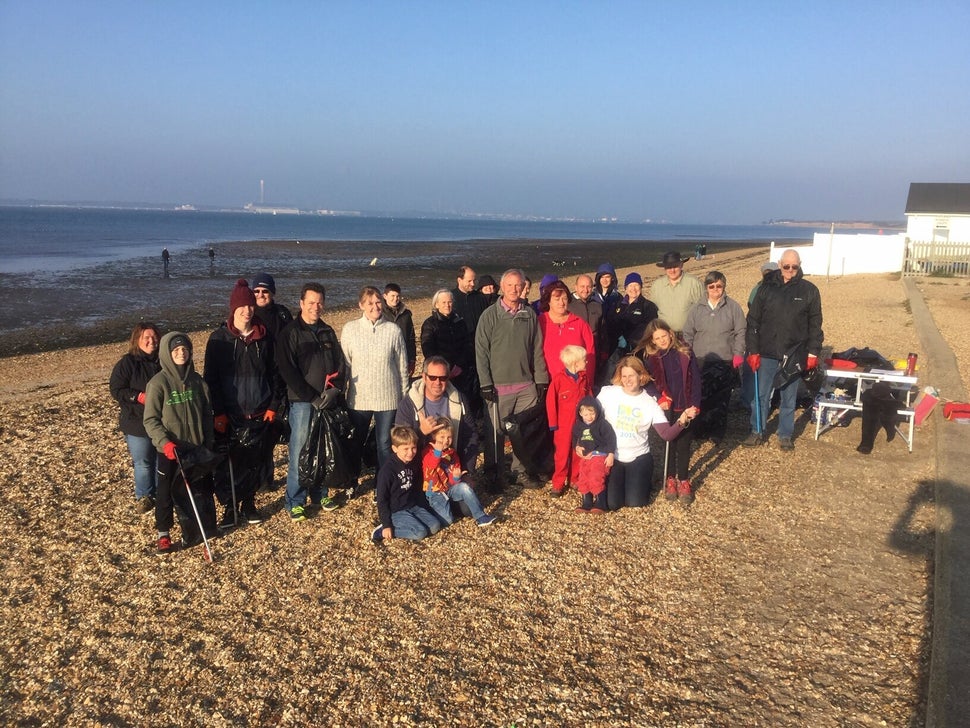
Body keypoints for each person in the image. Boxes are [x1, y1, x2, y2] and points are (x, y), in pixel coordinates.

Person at [204, 279, 283, 529]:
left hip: (260, 410)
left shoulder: (265, 338)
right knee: (229, 463)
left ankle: (249, 503)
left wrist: (273, 405)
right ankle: (230, 508)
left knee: (254, 462)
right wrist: (219, 412)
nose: (247, 311)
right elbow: (211, 379)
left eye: (250, 306)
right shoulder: (219, 339)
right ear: (233, 309)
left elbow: (275, 375)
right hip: (230, 413)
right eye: (242, 307)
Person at [275, 282, 348, 521]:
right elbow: (287, 371)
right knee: (300, 450)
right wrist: (312, 397)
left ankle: (320, 493)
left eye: (319, 303)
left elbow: (340, 364)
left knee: (322, 447)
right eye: (311, 303)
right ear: (301, 304)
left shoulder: (327, 331)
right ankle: (295, 500)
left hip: (326, 400)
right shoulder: (290, 333)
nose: (315, 307)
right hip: (303, 403)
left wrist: (335, 390)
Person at [475, 268, 550, 490]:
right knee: (496, 433)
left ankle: (519, 471)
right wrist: (485, 383)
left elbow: (537, 349)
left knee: (523, 432)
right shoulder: (490, 315)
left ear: (524, 287)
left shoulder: (529, 315)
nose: (514, 289)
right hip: (498, 386)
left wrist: (541, 380)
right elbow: (481, 351)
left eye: (518, 285)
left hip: (526, 385)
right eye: (510, 285)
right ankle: (494, 473)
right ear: (502, 287)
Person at [143, 332, 217, 552]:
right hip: (170, 450)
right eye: (176, 350)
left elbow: (206, 414)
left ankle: (201, 527)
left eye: (184, 349)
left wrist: (209, 441)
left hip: (195, 446)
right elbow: (150, 419)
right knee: (165, 492)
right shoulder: (158, 384)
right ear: (167, 353)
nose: (181, 353)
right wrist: (164, 442)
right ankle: (163, 533)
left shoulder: (198, 382)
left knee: (200, 489)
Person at [744, 249, 824, 451]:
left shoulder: (809, 291)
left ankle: (785, 434)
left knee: (789, 398)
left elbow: (815, 324)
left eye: (794, 266)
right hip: (767, 351)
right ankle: (757, 430)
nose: (790, 270)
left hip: (795, 352)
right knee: (761, 395)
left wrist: (813, 353)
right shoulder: (765, 289)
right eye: (786, 266)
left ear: (799, 265)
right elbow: (753, 321)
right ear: (780, 264)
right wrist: (753, 350)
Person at [596, 356, 696, 511]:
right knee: (613, 504)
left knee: (635, 502)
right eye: (624, 376)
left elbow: (666, 434)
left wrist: (681, 421)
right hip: (613, 456)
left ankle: (643, 481)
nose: (627, 380)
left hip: (639, 457)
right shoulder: (608, 394)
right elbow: (590, 418)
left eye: (631, 376)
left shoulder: (650, 402)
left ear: (640, 376)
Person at [341, 285, 409, 472]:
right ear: (361, 305)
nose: (375, 306)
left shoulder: (393, 330)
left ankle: (383, 483)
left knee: (384, 443)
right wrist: (340, 392)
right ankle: (351, 481)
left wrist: (404, 397)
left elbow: (402, 366)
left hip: (388, 398)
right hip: (359, 398)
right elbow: (345, 365)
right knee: (356, 440)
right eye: (370, 303)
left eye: (378, 301)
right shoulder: (350, 329)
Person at [636, 319, 703, 505]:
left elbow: (696, 379)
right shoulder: (651, 357)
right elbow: (647, 382)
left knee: (684, 445)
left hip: (686, 404)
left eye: (664, 336)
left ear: (670, 334)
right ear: (653, 341)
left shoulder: (685, 351)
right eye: (657, 338)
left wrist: (696, 404)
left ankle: (683, 479)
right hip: (668, 407)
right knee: (670, 443)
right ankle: (670, 478)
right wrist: (659, 397)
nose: (662, 340)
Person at [682, 271, 746, 443]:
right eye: (711, 286)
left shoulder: (733, 307)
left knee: (721, 399)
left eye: (719, 285)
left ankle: (717, 432)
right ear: (706, 288)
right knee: (700, 397)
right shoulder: (696, 309)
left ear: (724, 286)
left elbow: (741, 332)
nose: (715, 289)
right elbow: (688, 333)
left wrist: (738, 354)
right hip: (700, 360)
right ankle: (700, 430)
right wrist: (687, 354)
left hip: (725, 360)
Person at [109, 322, 162, 514]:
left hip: (161, 419)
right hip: (136, 421)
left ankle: (161, 493)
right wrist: (138, 397)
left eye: (154, 337)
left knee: (160, 460)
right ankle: (144, 496)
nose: (151, 341)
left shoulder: (163, 360)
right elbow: (116, 389)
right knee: (143, 462)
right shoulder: (127, 363)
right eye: (146, 338)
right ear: (137, 340)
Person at [395, 355, 478, 477]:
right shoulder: (408, 403)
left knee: (465, 492)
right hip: (420, 470)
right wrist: (420, 432)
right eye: (432, 377)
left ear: (448, 378)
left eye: (443, 378)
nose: (437, 382)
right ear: (424, 377)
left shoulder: (460, 400)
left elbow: (471, 436)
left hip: (451, 468)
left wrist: (467, 472)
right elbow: (399, 441)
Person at [420, 417, 496, 527]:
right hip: (435, 492)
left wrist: (456, 477)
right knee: (448, 520)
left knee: (464, 487)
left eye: (449, 437)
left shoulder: (452, 453)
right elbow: (431, 465)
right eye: (442, 437)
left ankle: (481, 516)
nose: (446, 440)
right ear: (433, 436)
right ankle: (431, 510)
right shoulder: (428, 451)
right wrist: (437, 452)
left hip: (449, 489)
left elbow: (453, 481)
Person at [372, 426, 443, 543]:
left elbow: (417, 485)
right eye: (406, 449)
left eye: (413, 448)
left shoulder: (413, 462)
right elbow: (382, 499)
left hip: (412, 505)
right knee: (420, 533)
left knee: (435, 525)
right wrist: (386, 524)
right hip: (396, 510)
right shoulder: (387, 471)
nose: (410, 452)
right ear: (395, 449)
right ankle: (383, 531)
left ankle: (408, 523)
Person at [419, 289, 478, 408]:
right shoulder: (430, 324)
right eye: (444, 302)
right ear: (436, 304)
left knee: (461, 403)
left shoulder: (459, 322)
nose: (447, 305)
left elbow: (468, 345)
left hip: (460, 370)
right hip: (439, 372)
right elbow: (428, 347)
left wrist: (459, 365)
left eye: (449, 302)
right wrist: (443, 367)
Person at [546, 345, 592, 497]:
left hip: (581, 424)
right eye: (584, 360)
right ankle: (558, 483)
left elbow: (589, 397)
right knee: (562, 454)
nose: (586, 362)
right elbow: (551, 402)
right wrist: (553, 424)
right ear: (575, 363)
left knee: (578, 450)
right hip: (563, 425)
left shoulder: (584, 379)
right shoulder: (558, 380)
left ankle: (575, 478)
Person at [740, 261, 780, 410]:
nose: (768, 275)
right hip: (755, 335)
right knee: (749, 370)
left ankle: (763, 406)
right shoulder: (757, 288)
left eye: (771, 272)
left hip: (771, 340)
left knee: (768, 376)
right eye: (766, 273)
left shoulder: (780, 289)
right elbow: (752, 308)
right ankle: (746, 402)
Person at [538, 280, 596, 384]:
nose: (561, 303)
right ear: (548, 301)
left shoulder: (579, 324)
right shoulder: (540, 323)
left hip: (575, 383)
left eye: (564, 298)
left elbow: (590, 355)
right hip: (548, 383)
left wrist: (588, 382)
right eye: (557, 299)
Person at [571, 396, 616, 513]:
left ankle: (601, 503)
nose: (589, 417)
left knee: (596, 477)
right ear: (580, 413)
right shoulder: (578, 425)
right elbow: (575, 438)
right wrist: (576, 447)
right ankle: (587, 502)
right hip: (586, 457)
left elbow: (611, 439)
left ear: (597, 411)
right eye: (586, 414)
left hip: (599, 455)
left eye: (592, 414)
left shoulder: (602, 424)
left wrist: (611, 454)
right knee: (583, 478)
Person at [606, 272, 658, 360]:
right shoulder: (617, 305)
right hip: (618, 351)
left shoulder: (648, 306)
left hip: (639, 351)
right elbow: (610, 323)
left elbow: (649, 329)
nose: (633, 289)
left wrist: (630, 341)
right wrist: (618, 337)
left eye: (636, 285)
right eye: (630, 285)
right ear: (626, 288)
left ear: (641, 287)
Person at [649, 251, 704, 333]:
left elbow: (703, 309)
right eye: (668, 267)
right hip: (665, 335)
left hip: (688, 334)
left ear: (681, 265)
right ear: (664, 268)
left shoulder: (694, 283)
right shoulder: (657, 285)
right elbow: (653, 311)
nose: (672, 270)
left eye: (675, 266)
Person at [381, 282, 417, 377]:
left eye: (398, 296)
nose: (395, 299)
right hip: (384, 358)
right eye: (392, 296)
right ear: (385, 296)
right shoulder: (379, 314)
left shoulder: (406, 314)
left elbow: (411, 338)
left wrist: (412, 359)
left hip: (403, 357)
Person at [568, 273, 604, 359]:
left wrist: (604, 350)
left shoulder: (597, 305)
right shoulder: (568, 305)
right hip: (574, 353)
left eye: (589, 287)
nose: (585, 290)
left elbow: (602, 330)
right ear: (575, 287)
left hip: (594, 351)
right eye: (582, 286)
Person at [251, 272, 294, 341]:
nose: (260, 295)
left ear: (272, 293)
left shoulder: (282, 313)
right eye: (256, 291)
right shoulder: (248, 314)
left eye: (265, 291)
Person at [451, 265, 488, 336]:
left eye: (474, 280)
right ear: (459, 280)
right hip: (457, 340)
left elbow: (486, 319)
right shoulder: (450, 298)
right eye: (469, 281)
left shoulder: (480, 297)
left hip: (477, 340)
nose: (473, 284)